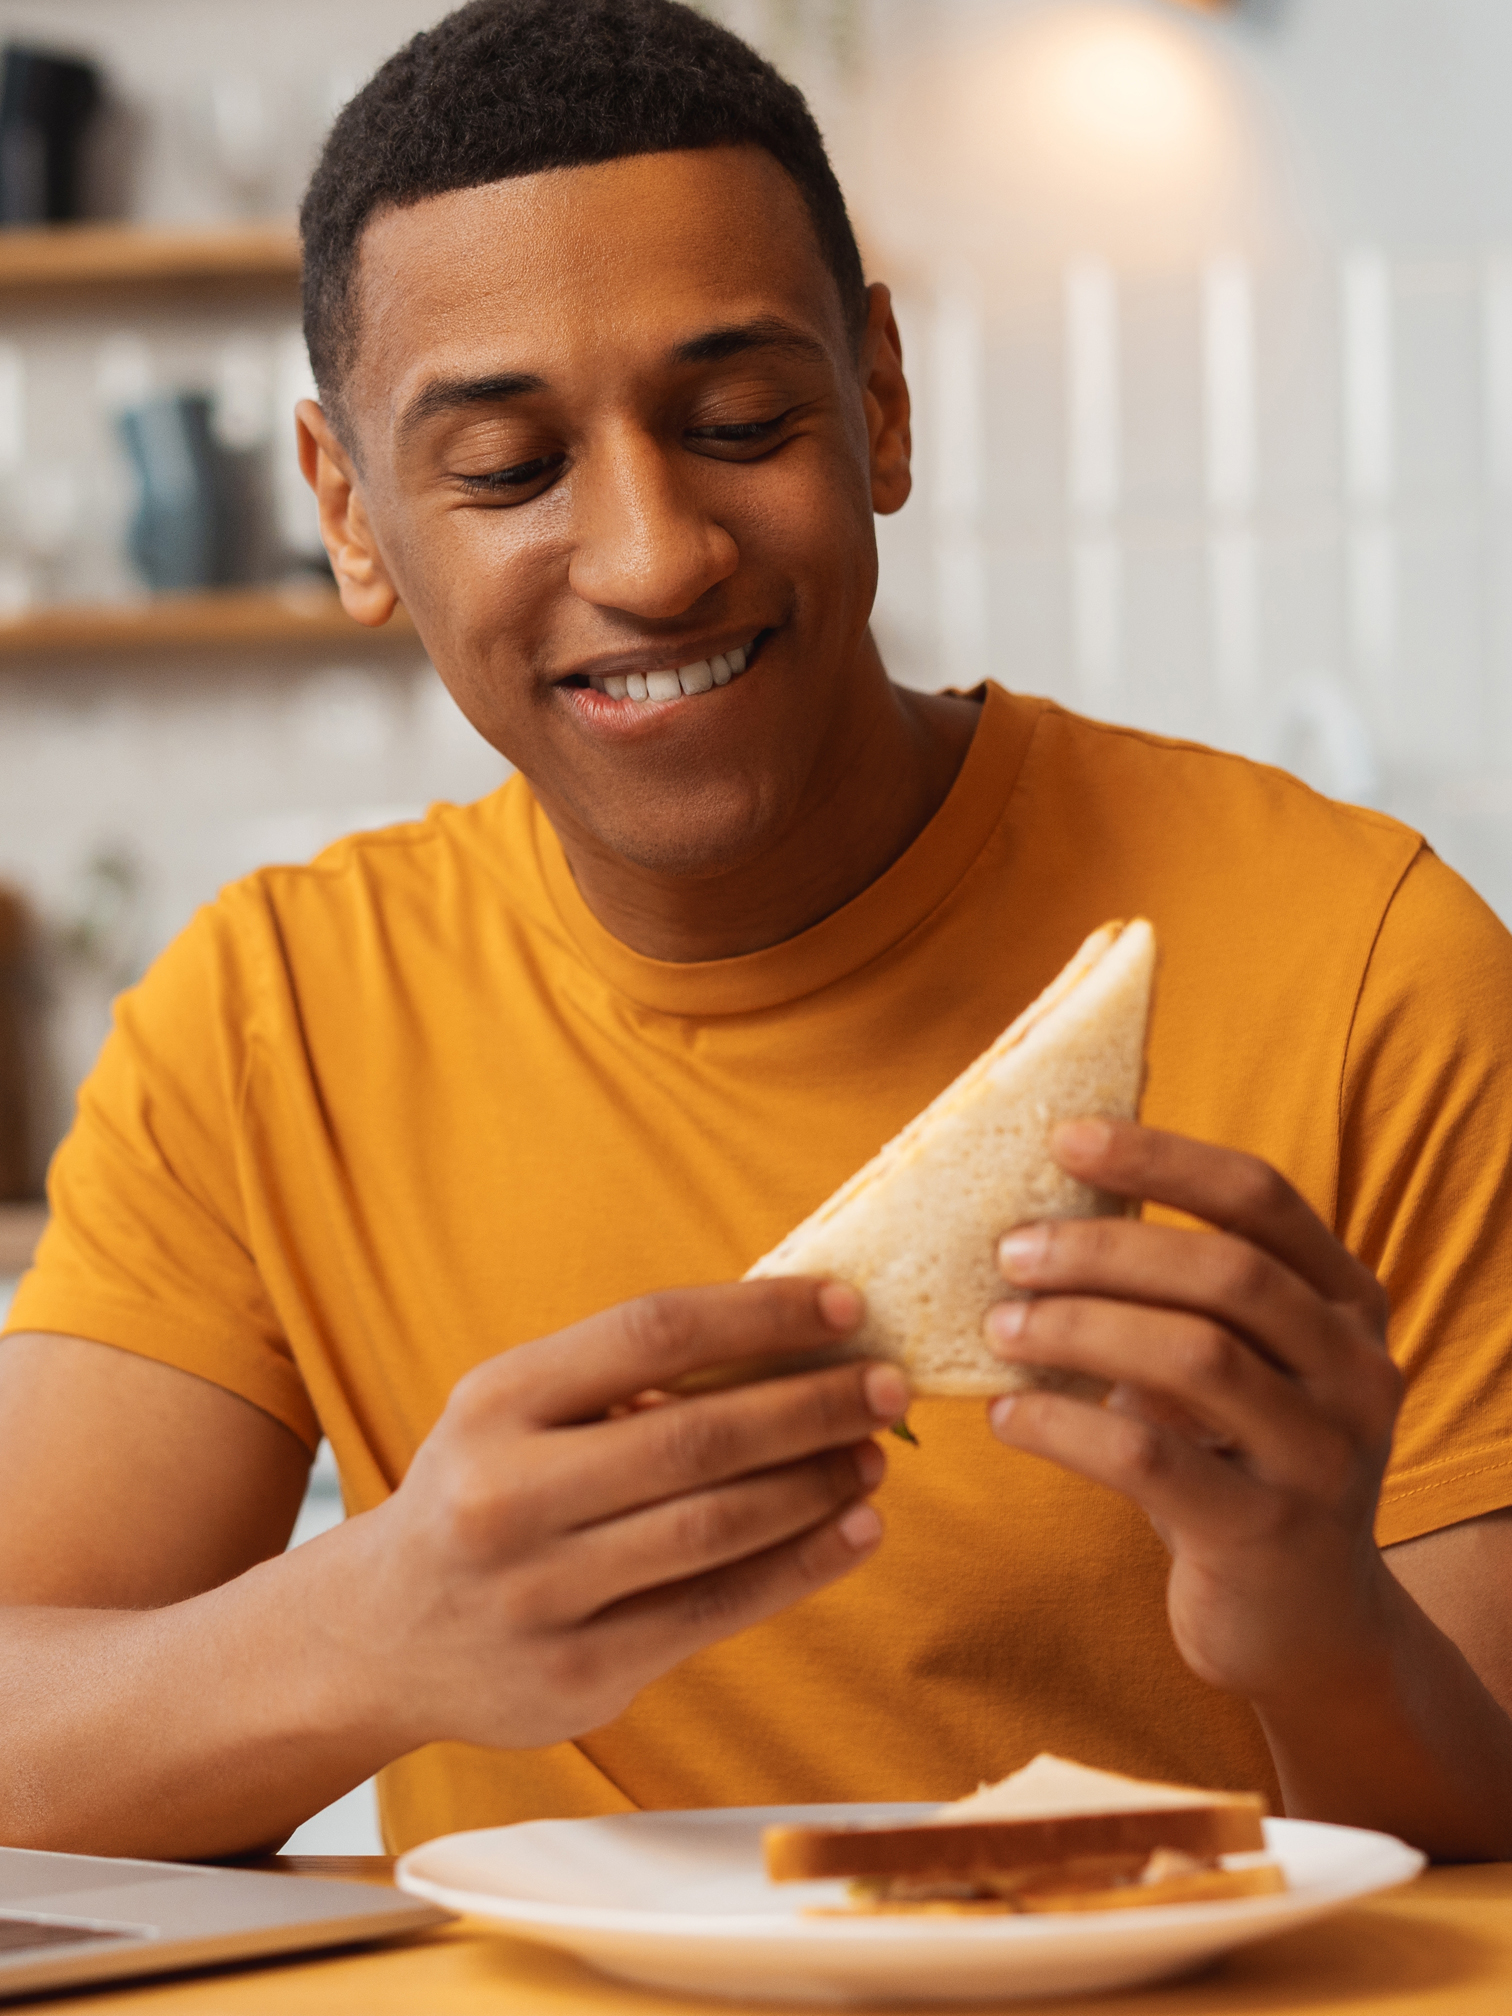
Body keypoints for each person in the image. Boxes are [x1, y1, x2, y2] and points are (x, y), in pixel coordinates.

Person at [4, 0, 1512, 1865]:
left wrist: (1311, 1616)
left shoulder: (1369, 962)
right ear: (349, 511)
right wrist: (373, 1626)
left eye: (738, 421)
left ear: (879, 401)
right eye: (504, 468)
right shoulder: (273, 1018)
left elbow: (1490, 1851)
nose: (650, 555)